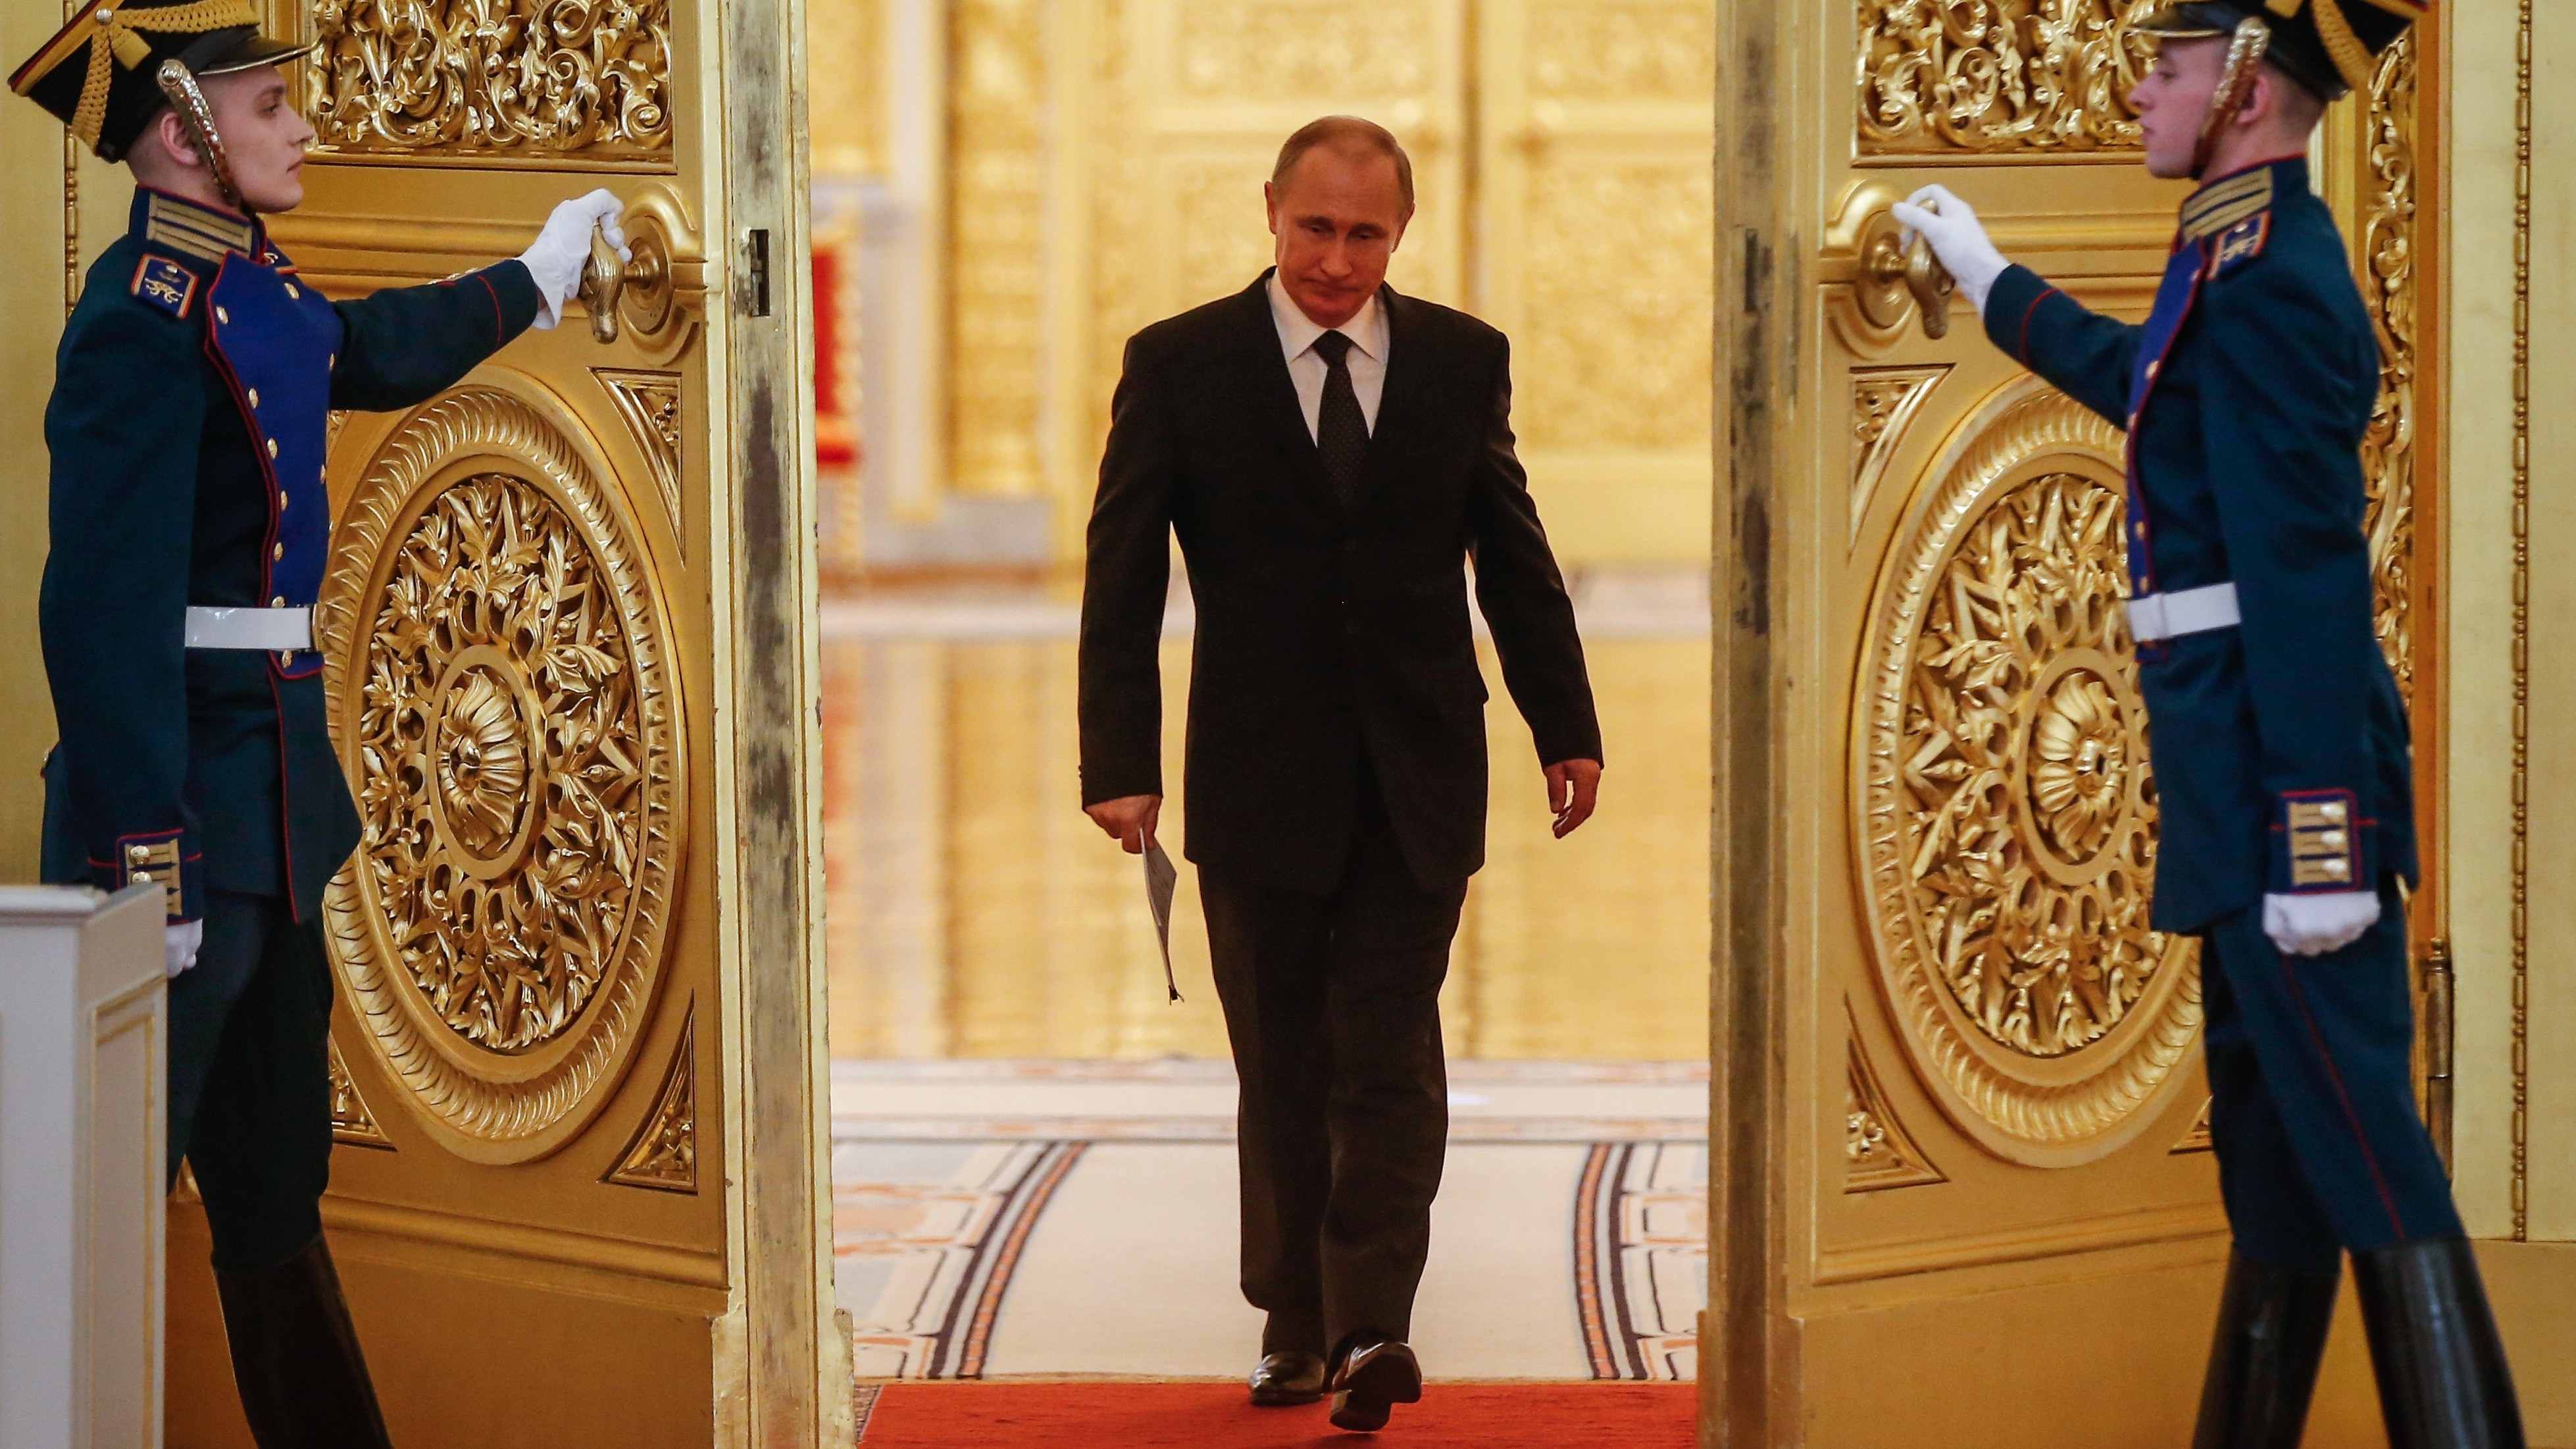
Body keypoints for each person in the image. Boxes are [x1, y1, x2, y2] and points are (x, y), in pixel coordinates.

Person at [1899, 3, 2519, 1446]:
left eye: (2167, 69)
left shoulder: (2276, 278)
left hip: (2277, 785)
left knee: (2368, 1157)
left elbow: (2303, 580)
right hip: (2234, 765)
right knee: (2276, 1158)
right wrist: (1993, 280)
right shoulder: (2230, 253)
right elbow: (2157, 395)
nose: (2137, 93)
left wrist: (2318, 842)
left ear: (2244, 90)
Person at [12, 2, 628, 1442]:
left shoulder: (247, 288)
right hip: (181, 812)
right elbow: (100, 616)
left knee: (273, 1174)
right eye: (270, 110)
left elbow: (363, 346)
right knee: (105, 1180)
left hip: (273, 800)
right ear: (186, 138)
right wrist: (148, 854)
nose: (301, 130)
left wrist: (532, 279)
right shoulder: (138, 323)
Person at [1078, 116, 1604, 1432]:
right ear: (1270, 209)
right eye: (1314, 227)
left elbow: (1514, 555)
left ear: (1399, 232)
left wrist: (1565, 724)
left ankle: (1371, 1323)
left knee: (1388, 1052)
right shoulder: (1180, 365)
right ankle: (1293, 1320)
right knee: (1284, 1061)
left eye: (1364, 233)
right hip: (1256, 774)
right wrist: (1119, 761)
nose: (1334, 258)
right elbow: (1121, 577)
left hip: (1419, 769)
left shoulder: (1460, 361)